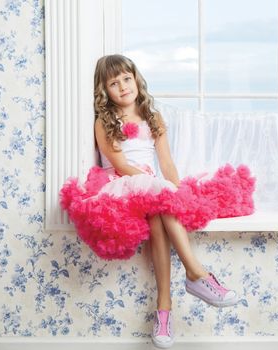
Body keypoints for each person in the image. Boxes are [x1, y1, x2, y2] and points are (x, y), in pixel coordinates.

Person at [92, 54, 239, 348]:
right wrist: (154, 184)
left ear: (136, 79)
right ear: (104, 90)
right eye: (113, 83)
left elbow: (167, 163)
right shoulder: (104, 122)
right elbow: (121, 166)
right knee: (156, 194)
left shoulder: (153, 117)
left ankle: (164, 312)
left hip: (150, 187)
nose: (122, 87)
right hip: (121, 185)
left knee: (160, 215)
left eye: (126, 78)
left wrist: (178, 190)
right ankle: (196, 273)